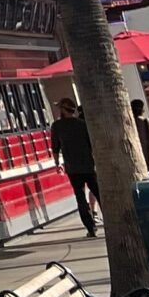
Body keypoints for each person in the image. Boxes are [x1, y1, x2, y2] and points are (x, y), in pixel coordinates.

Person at [49, 98, 100, 236]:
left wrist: (57, 163)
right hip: (88, 165)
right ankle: (110, 221)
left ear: (63, 110)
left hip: (72, 167)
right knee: (98, 192)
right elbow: (91, 144)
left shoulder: (57, 126)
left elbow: (55, 147)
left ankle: (90, 227)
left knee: (80, 197)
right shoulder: (82, 124)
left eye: (60, 108)